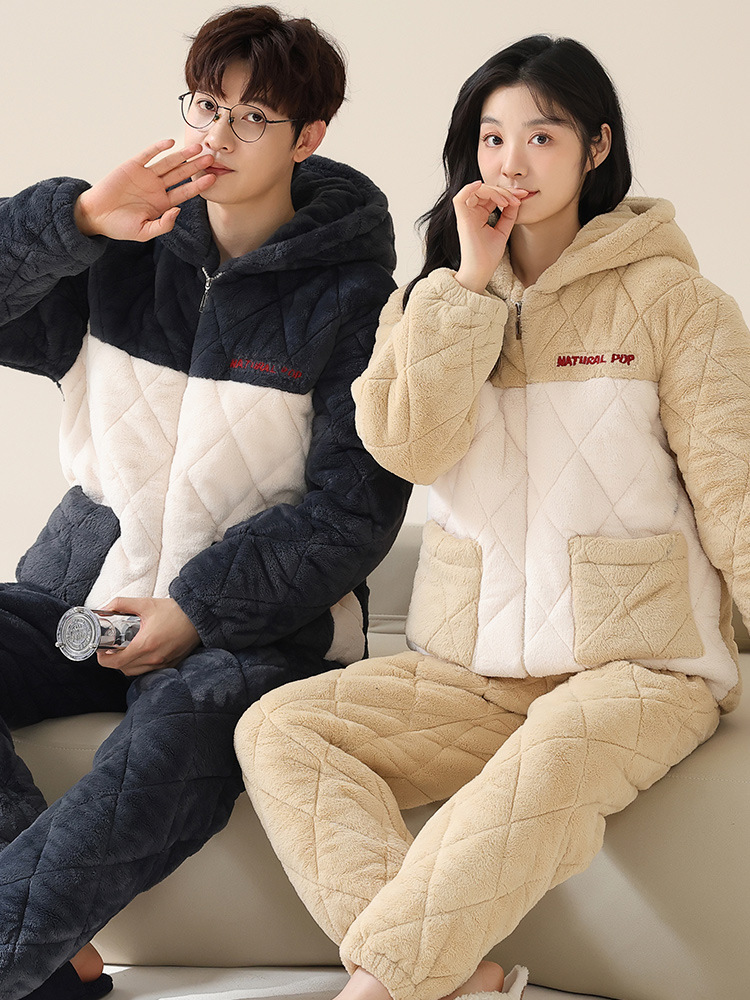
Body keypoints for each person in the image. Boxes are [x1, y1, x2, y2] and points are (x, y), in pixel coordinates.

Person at [236, 33, 750, 1000]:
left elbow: (738, 496)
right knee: (280, 728)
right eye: (492, 137)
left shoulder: (679, 304)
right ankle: (457, 981)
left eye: (542, 137)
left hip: (643, 667)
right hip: (471, 671)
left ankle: (379, 988)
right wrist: (467, 287)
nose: (512, 162)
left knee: (549, 765)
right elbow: (406, 449)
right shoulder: (433, 303)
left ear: (597, 147)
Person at [0, 5, 409, 998]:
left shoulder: (359, 303)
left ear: (308, 137)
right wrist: (78, 220)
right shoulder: (117, 254)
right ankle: (55, 957)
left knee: (178, 740)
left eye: (251, 117)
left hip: (248, 633)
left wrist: (196, 608)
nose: (217, 135)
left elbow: (355, 508)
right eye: (204, 105)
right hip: (83, 602)